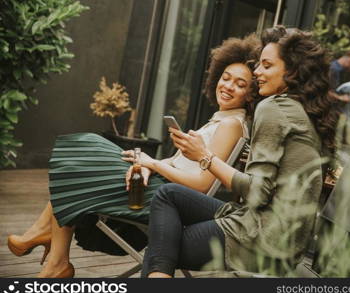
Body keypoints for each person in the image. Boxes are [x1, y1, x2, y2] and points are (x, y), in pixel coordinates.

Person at [7, 35, 261, 278]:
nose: (228, 86)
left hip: (167, 201)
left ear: (250, 95)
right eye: (226, 78)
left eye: (240, 84)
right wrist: (149, 164)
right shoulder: (221, 120)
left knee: (85, 153)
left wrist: (151, 164)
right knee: (84, 158)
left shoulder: (231, 125)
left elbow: (202, 184)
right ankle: (53, 255)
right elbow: (180, 165)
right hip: (161, 186)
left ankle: (50, 248)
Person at [139, 25, 340, 278]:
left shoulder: (273, 108)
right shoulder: (306, 113)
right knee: (169, 197)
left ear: (292, 71)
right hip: (287, 242)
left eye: (267, 66)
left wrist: (204, 156)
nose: (257, 72)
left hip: (262, 238)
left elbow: (258, 191)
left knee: (160, 248)